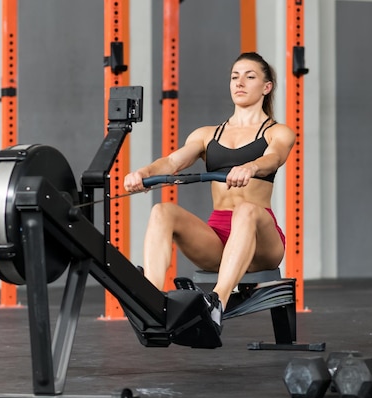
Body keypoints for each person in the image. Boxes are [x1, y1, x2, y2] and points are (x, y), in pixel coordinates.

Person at [123, 52, 295, 332]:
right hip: (218, 239)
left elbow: (273, 158)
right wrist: (143, 173)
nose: (240, 83)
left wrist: (251, 167)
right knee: (162, 210)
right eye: (234, 77)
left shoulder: (278, 132)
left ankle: (217, 303)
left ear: (266, 87)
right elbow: (172, 161)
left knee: (247, 209)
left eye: (250, 77)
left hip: (262, 240)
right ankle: (151, 300)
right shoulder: (207, 135)